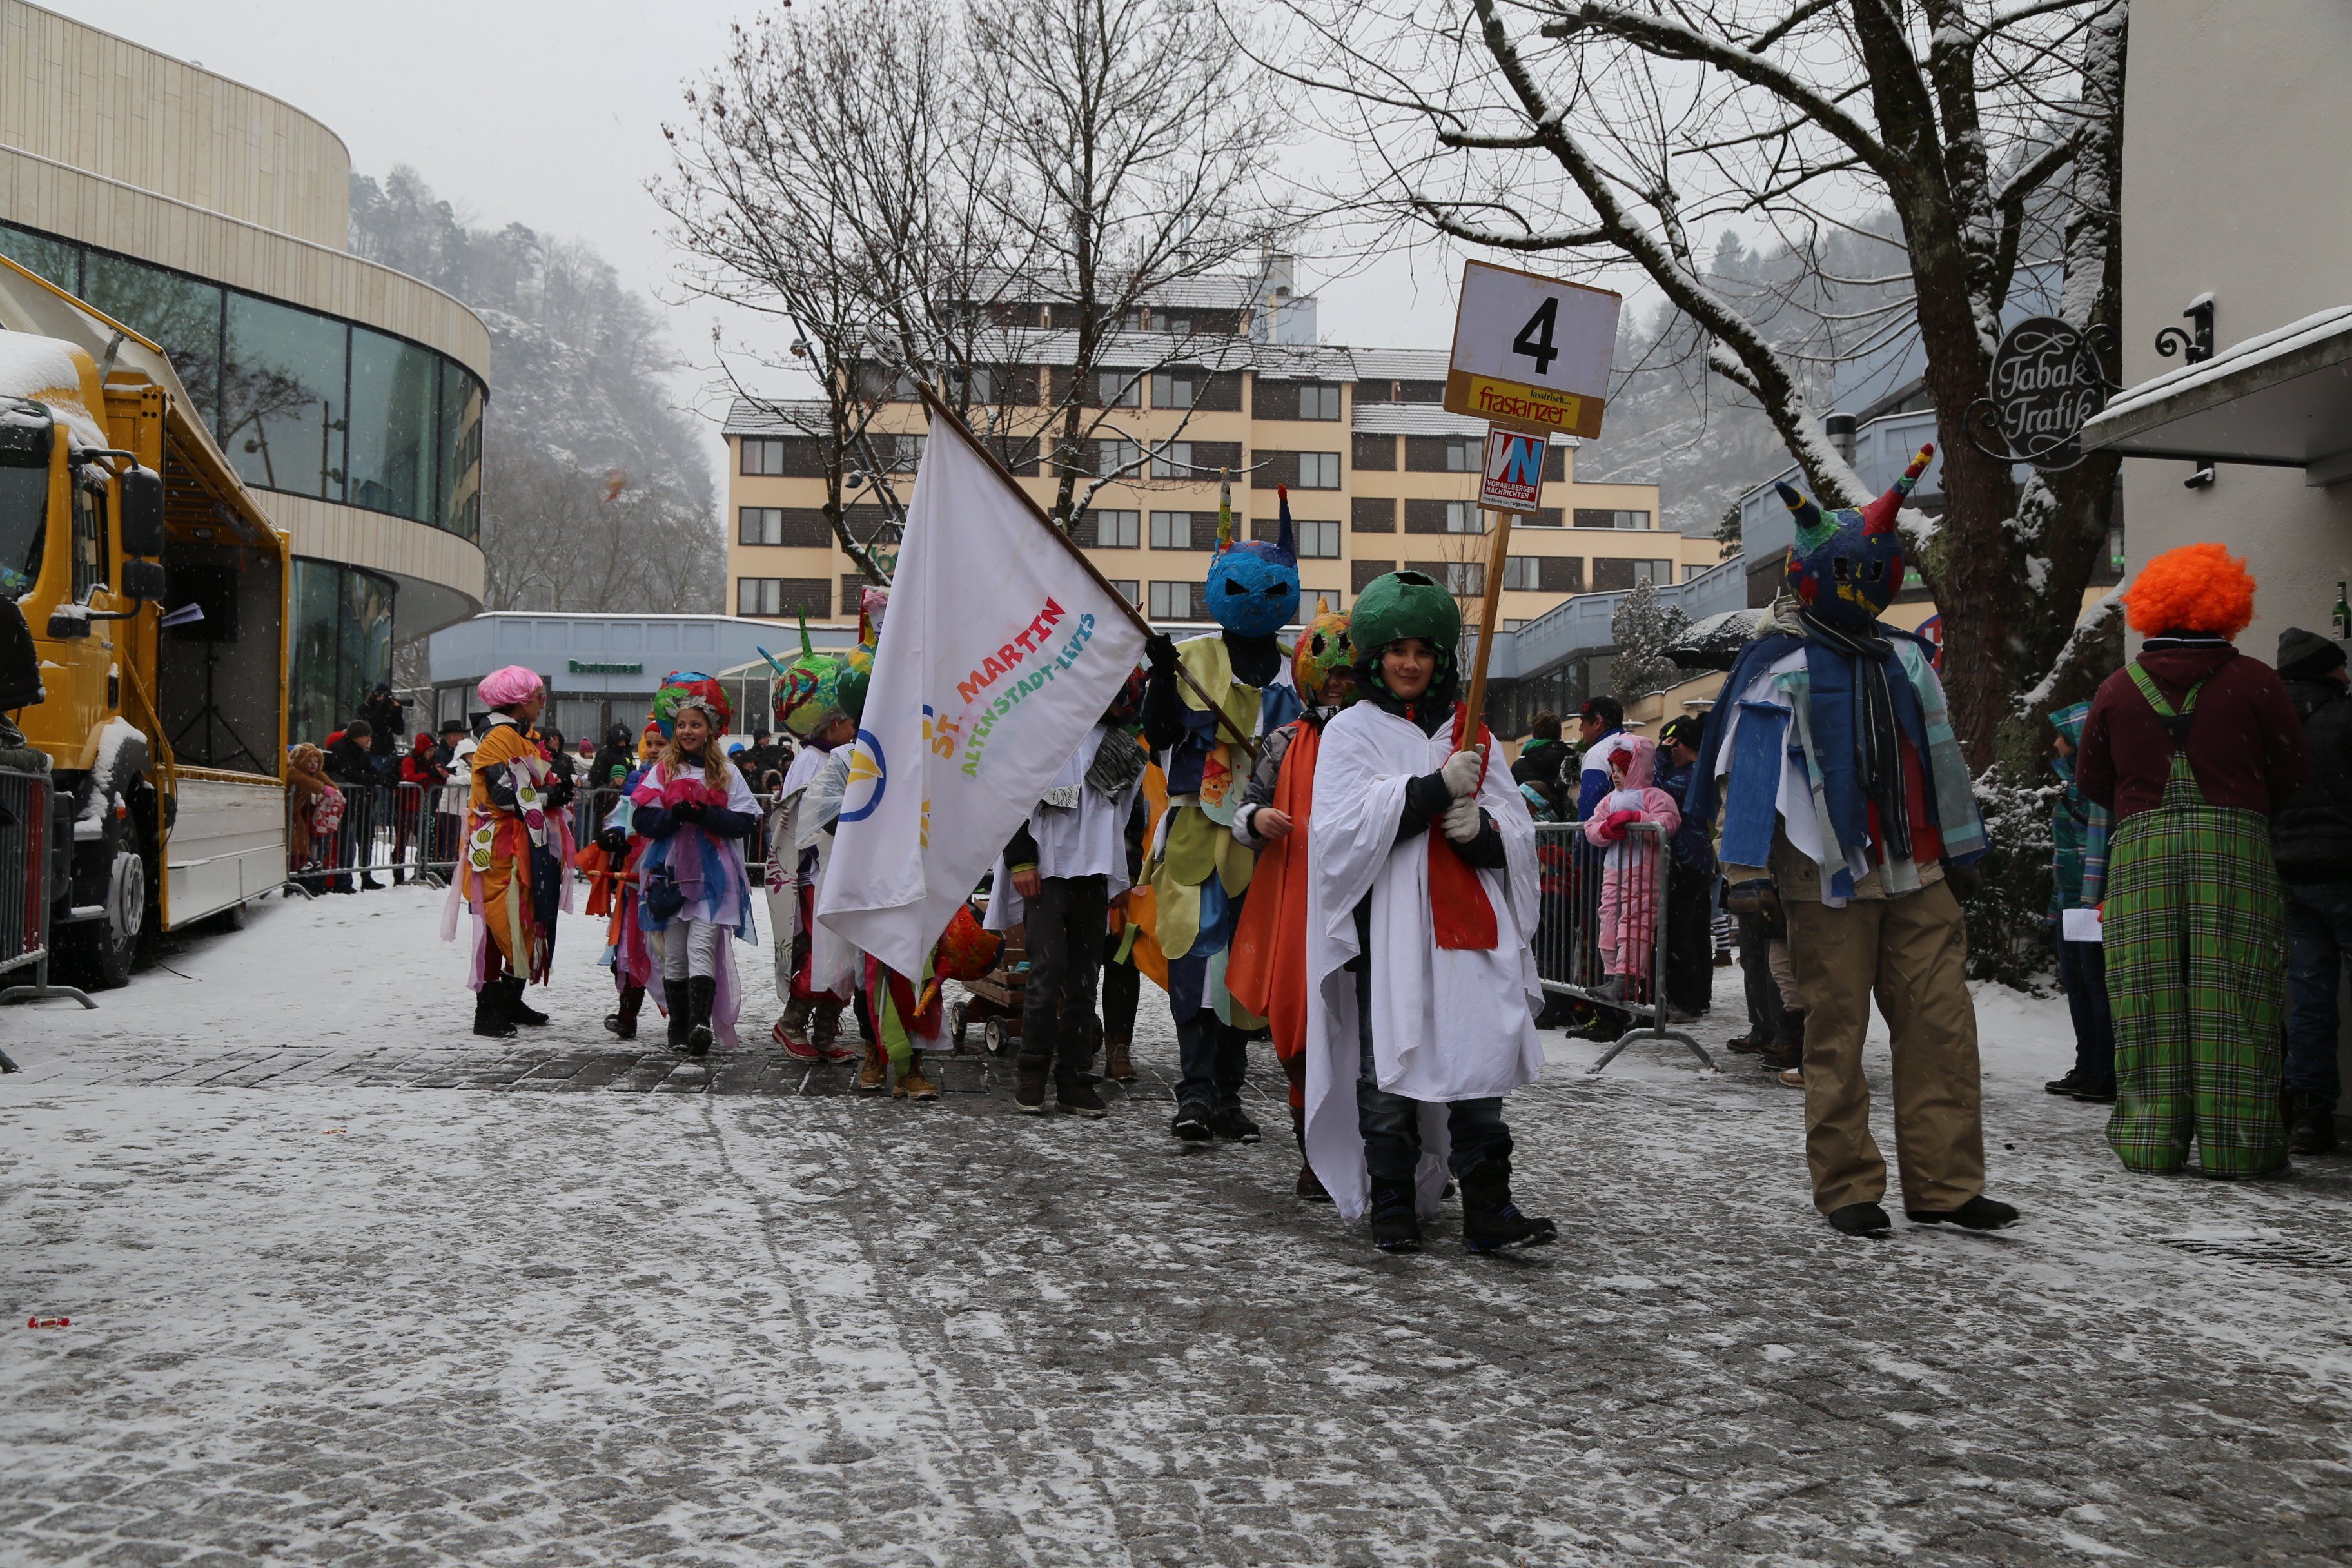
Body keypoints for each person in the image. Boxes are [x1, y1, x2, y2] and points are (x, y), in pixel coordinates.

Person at [1687, 446, 2012, 1238]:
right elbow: (1752, 770)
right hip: (1823, 873)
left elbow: (1942, 757)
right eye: (1847, 570)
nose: (1861, 583)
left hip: (1917, 867)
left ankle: (1946, 1183)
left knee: (1942, 1025)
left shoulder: (1908, 658)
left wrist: (1962, 847)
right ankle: (1847, 1185)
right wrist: (1744, 868)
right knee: (1836, 1032)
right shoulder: (1778, 664)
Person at [1299, 571, 1556, 1254]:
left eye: (1422, 652)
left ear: (1441, 659)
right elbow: (1339, 836)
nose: (1409, 664)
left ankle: (1489, 1208)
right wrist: (1430, 789)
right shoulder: (1351, 731)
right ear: (1375, 656)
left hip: (1470, 929)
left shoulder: (1470, 733)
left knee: (1480, 1057)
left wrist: (1484, 832)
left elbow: (1517, 836)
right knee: (1385, 1069)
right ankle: (1392, 1205)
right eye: (1397, 650)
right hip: (1386, 933)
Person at [2077, 545, 2305, 1178]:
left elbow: (2091, 778)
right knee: (2237, 992)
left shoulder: (2118, 688)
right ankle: (2240, 1145)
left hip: (2141, 853)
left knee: (2145, 993)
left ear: (2152, 610)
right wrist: (2240, 801)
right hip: (2235, 852)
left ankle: (2152, 1142)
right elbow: (2291, 771)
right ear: (2227, 608)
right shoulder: (2256, 681)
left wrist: (2141, 802)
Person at [1139, 482, 1303, 1144]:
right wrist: (1159, 677)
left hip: (1267, 842)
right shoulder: (1192, 660)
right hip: (1198, 842)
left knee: (1248, 964)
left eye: (1271, 588)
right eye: (1240, 588)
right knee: (1195, 961)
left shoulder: (1299, 671)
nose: (1256, 600)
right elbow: (1159, 734)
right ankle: (1196, 1092)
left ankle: (1228, 1095)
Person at [1228, 603, 1356, 1200]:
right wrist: (1258, 819)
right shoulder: (1281, 742)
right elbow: (1245, 810)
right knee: (1300, 1033)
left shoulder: (1382, 738)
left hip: (1362, 906)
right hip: (1298, 909)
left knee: (1365, 1034)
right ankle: (1316, 1157)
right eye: (1329, 674)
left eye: (1348, 674)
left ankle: (1391, 1154)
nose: (1338, 685)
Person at [990, 671, 1151, 1118]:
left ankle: (1074, 1078)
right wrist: (1022, 860)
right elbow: (1013, 801)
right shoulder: (1045, 738)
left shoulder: (1122, 747)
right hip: (1049, 876)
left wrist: (1123, 875)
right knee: (1045, 978)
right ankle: (1032, 1074)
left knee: (1084, 984)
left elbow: (1131, 820)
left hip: (1095, 879)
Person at [630, 674, 761, 1057]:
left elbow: (745, 820)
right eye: (682, 724)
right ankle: (678, 1026)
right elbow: (643, 818)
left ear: (710, 730)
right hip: (670, 874)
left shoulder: (727, 772)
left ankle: (700, 1022)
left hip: (713, 877)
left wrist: (706, 815)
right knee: (674, 951)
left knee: (702, 945)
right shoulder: (663, 771)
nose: (688, 731)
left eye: (696, 724)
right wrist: (672, 817)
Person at [446, 667, 569, 1039]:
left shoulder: (513, 735)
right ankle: (487, 1010)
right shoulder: (501, 737)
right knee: (497, 921)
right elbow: (503, 796)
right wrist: (551, 794)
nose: (542, 704)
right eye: (538, 698)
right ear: (520, 701)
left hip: (515, 844)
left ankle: (509, 1000)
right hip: (499, 849)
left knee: (521, 917)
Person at [766, 618, 861, 1065]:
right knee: (826, 952)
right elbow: (808, 823)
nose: (855, 728)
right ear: (833, 723)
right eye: (849, 721)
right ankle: (792, 1023)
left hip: (841, 871)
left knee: (845, 952)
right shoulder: (812, 762)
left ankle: (825, 1030)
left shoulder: (837, 757)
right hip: (816, 874)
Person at [2273, 625, 2352, 1156]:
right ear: (2326, 671)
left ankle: (2310, 1116)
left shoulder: (2270, 725)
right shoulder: (2346, 717)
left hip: (2292, 876)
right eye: (2340, 665)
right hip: (2347, 872)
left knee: (2310, 1000)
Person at [2043, 701, 2115, 1104]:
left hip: (2092, 906)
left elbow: (2100, 851)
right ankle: (2086, 1066)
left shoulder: (2099, 790)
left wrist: (2091, 907)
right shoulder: (2076, 787)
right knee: (2077, 986)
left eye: (2064, 737)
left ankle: (2105, 1072)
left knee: (2096, 987)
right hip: (2071, 904)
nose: (2056, 743)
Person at [1583, 734, 1680, 1006]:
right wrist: (1605, 830)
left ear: (1637, 768)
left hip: (1643, 872)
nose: (1615, 775)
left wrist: (1638, 818)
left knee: (1635, 922)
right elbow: (1591, 827)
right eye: (1613, 769)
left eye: (1622, 769)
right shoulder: (1609, 800)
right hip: (1614, 870)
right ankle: (1612, 974)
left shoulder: (1655, 797)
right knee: (1609, 919)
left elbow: (1668, 823)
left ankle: (1627, 977)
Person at [1655, 714, 1718, 1023]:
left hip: (1686, 862)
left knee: (1678, 934)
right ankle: (1697, 997)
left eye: (1673, 746)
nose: (1670, 752)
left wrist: (1659, 758)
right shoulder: (1697, 772)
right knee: (1695, 932)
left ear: (1686, 746)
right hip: (1697, 862)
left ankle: (1686, 1001)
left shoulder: (1687, 777)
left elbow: (1655, 793)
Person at [324, 720, 380, 892]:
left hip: (362, 801)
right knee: (345, 843)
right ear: (357, 736)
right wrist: (366, 779)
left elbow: (370, 772)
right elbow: (350, 774)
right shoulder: (340, 750)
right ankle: (343, 879)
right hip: (346, 803)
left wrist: (368, 780)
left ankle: (365, 876)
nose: (370, 739)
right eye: (367, 735)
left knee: (365, 840)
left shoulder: (361, 752)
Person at [286, 743, 342, 892]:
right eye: (310, 761)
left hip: (295, 812)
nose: (313, 764)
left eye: (316, 761)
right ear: (301, 761)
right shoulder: (293, 771)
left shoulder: (315, 774)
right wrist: (322, 788)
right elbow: (305, 781)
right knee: (295, 838)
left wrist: (335, 792)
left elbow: (329, 784)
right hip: (286, 810)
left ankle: (304, 862)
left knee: (303, 835)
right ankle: (296, 866)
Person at [395, 732, 445, 885]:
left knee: (425, 839)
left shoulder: (429, 763)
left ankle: (421, 871)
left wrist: (441, 775)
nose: (431, 754)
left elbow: (433, 781)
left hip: (420, 807)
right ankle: (398, 876)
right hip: (405, 806)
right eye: (429, 750)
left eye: (433, 751)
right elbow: (408, 778)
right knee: (402, 842)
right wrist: (428, 774)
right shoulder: (410, 760)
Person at [1511, 710, 1572, 818]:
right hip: (1568, 823)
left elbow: (1513, 800)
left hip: (1531, 823)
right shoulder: (1573, 761)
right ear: (1560, 733)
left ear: (1534, 734)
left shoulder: (1519, 766)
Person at [433, 720, 471, 870]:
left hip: (456, 808)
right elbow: (450, 779)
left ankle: (448, 867)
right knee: (449, 841)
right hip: (448, 806)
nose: (462, 737)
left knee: (454, 841)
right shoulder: (445, 757)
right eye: (459, 734)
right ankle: (445, 869)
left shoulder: (457, 759)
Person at [360, 682, 407, 765]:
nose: (382, 698)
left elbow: (399, 730)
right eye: (380, 695)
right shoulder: (365, 708)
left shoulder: (389, 709)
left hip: (389, 751)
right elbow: (371, 724)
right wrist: (383, 709)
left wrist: (398, 712)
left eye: (386, 696)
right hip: (373, 751)